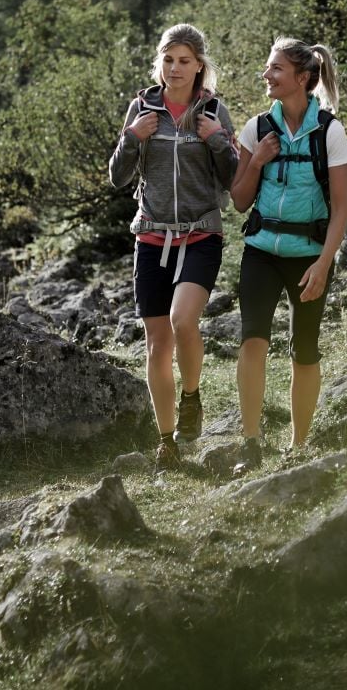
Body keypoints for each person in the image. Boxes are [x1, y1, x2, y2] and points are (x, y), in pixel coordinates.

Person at [108, 24, 238, 471]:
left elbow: (233, 179)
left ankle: (192, 397)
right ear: (159, 63)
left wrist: (216, 139)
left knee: (185, 321)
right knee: (156, 343)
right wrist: (132, 137)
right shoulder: (142, 108)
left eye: (184, 60)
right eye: (168, 60)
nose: (175, 68)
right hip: (151, 235)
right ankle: (167, 440)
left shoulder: (215, 110)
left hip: (201, 233)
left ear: (200, 65)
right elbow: (118, 177)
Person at [229, 37, 347, 475]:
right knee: (252, 340)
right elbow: (240, 201)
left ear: (302, 78)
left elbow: (341, 208)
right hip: (261, 252)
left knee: (305, 350)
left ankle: (299, 447)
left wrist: (323, 263)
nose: (267, 76)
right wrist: (257, 160)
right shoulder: (256, 128)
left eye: (276, 69)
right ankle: (250, 443)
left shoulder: (330, 132)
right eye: (268, 68)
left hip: (310, 258)